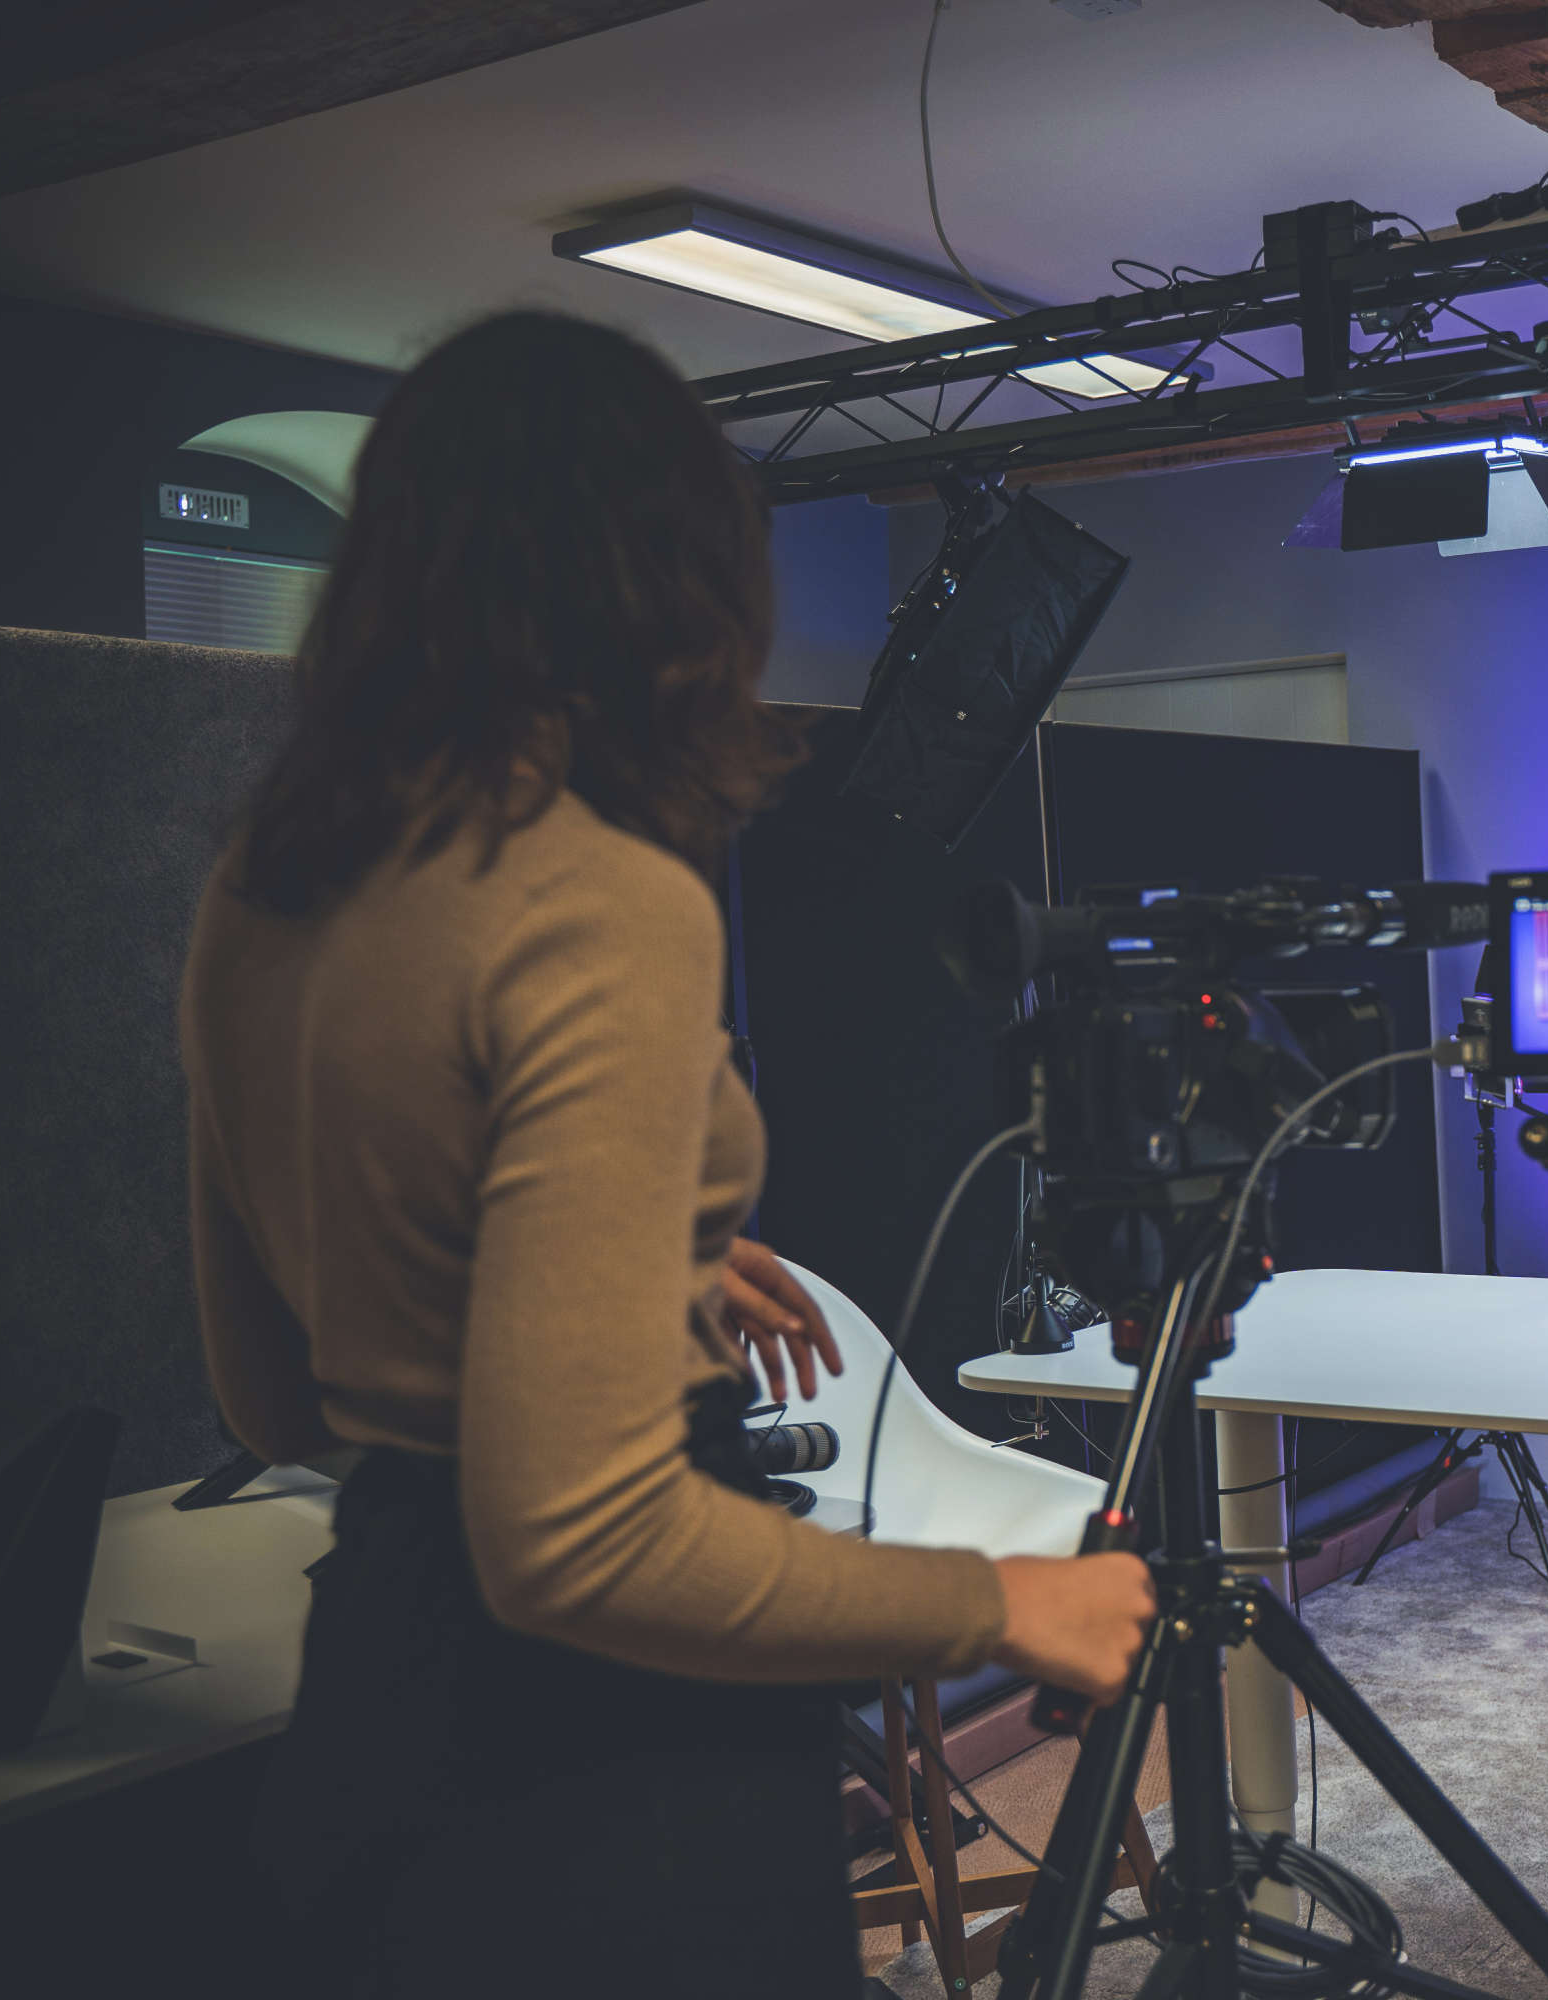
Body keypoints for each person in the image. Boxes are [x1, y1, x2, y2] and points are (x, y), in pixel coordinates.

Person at [178, 311, 1154, 1994]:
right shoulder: (590, 894)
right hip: (612, 1796)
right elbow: (586, 1543)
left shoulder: (262, 886)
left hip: (374, 1724)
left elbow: (274, 1395)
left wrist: (648, 1260)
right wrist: (996, 1603)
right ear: (670, 578)